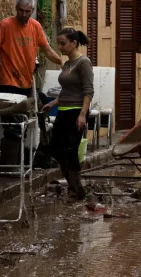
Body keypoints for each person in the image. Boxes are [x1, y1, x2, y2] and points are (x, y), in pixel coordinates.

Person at [41, 28, 94, 200]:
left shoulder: (83, 63)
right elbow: (66, 90)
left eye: (63, 43)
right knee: (56, 149)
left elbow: (88, 91)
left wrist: (82, 114)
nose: (60, 47)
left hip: (76, 113)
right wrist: (52, 103)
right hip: (63, 112)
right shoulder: (67, 64)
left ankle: (75, 190)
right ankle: (76, 187)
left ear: (74, 43)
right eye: (58, 43)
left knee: (71, 151)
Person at [0, 0, 63, 95]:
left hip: (27, 82)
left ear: (32, 11)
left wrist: (61, 62)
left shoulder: (36, 26)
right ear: (16, 8)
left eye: (27, 11)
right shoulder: (5, 25)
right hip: (8, 81)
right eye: (21, 10)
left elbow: (47, 51)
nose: (24, 14)